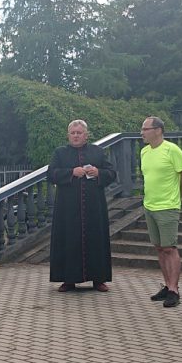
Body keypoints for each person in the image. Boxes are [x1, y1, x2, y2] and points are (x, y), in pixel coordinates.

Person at [47, 119, 116, 292]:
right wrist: (72, 172)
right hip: (67, 208)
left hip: (94, 207)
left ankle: (98, 279)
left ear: (86, 135)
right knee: (68, 241)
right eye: (73, 133)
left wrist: (98, 172)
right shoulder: (60, 153)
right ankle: (68, 279)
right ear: (68, 135)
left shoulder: (97, 152)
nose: (76, 136)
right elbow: (51, 174)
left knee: (96, 240)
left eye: (79, 133)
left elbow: (111, 173)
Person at [139, 117, 182, 308]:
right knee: (159, 247)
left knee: (169, 247)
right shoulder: (144, 151)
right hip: (149, 205)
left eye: (145, 129)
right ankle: (167, 285)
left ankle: (174, 290)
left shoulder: (172, 150)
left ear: (158, 130)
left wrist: (177, 196)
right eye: (142, 129)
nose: (142, 133)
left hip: (167, 206)